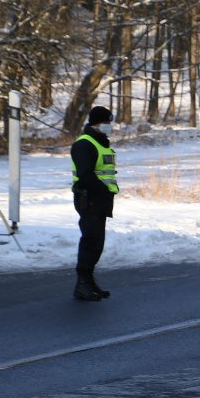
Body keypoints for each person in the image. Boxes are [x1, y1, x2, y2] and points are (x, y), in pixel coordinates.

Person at [71, 106, 118, 301]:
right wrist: (103, 190)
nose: (109, 126)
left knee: (97, 242)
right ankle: (82, 284)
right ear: (96, 123)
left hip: (100, 200)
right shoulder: (84, 144)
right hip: (89, 199)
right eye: (106, 123)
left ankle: (88, 282)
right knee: (91, 241)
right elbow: (85, 174)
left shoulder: (101, 143)